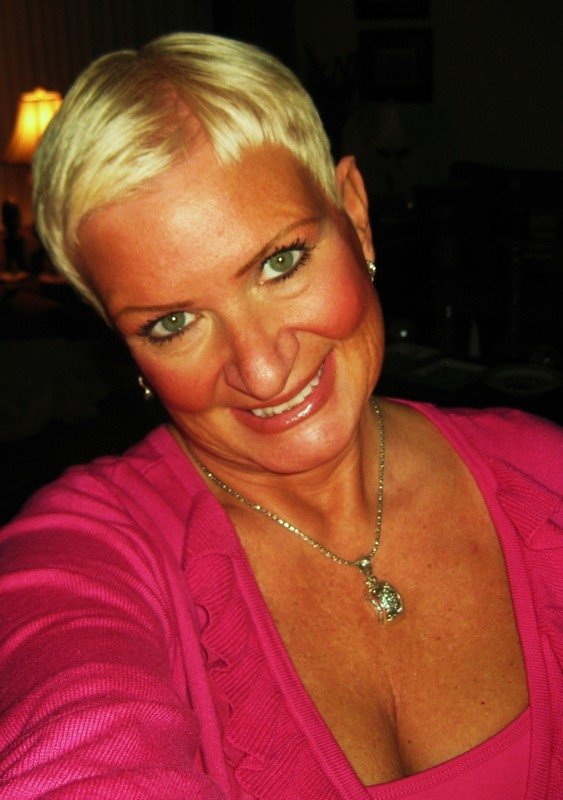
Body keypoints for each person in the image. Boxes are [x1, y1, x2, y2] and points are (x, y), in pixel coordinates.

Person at [0, 32, 561, 800]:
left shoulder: (545, 477)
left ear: (354, 214)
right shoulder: (76, 556)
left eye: (279, 262)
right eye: (171, 323)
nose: (261, 369)